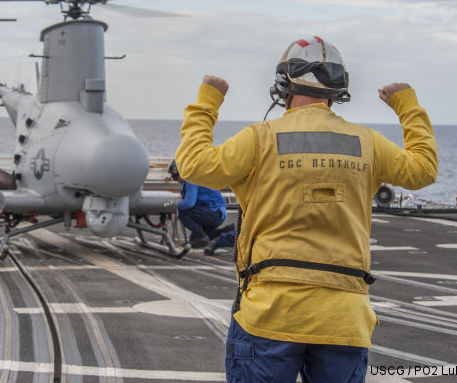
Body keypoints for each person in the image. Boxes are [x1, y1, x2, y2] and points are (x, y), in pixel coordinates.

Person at [175, 36, 438, 382]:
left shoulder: (260, 138)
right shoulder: (368, 143)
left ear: (283, 83)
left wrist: (208, 100)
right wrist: (406, 105)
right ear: (337, 88)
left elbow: (193, 164)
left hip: (270, 315)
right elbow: (424, 169)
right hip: (344, 318)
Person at [168, 160, 227, 248]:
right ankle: (228, 231)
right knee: (195, 241)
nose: (175, 180)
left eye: (175, 176)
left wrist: (173, 206)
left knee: (181, 211)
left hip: (214, 213)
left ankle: (201, 237)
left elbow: (189, 203)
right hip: (215, 213)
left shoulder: (191, 180)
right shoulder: (194, 177)